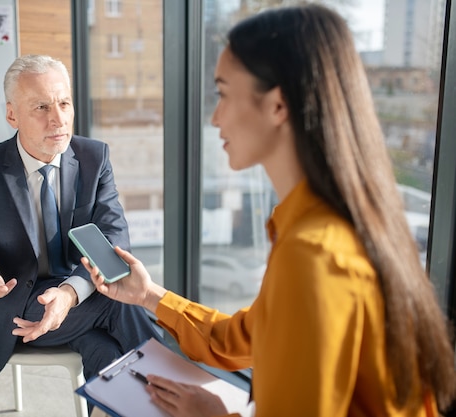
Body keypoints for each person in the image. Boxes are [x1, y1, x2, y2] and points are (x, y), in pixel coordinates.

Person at [82, 4, 456, 417]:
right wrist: (147, 295)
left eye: (223, 93)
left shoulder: (314, 254)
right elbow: (241, 339)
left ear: (278, 105)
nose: (216, 116)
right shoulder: (330, 225)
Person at [0, 54, 162, 385]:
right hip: (20, 305)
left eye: (64, 103)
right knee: (121, 305)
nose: (58, 119)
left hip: (79, 291)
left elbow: (113, 237)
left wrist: (69, 294)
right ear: (12, 114)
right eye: (41, 107)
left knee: (105, 352)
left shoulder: (93, 157)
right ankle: (184, 387)